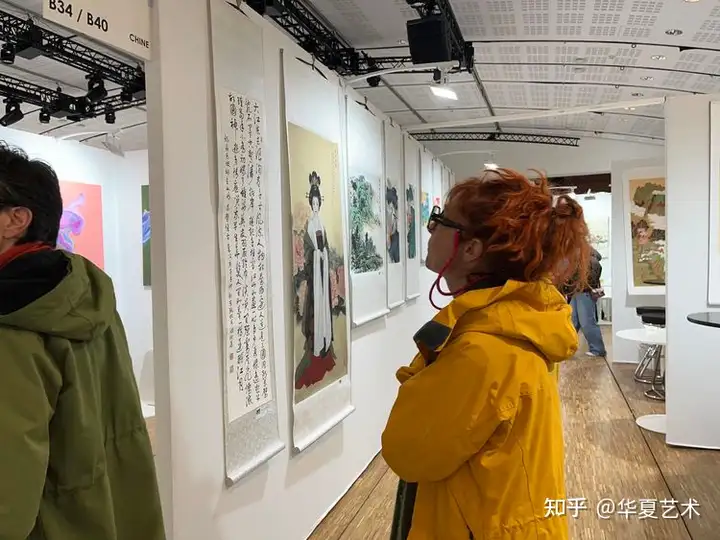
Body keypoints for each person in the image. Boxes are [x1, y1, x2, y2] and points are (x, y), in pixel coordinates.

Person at [383, 168, 591, 540]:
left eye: (441, 221)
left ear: (471, 250)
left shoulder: (484, 351)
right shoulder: (519, 322)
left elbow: (406, 451)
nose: (431, 230)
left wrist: (420, 373)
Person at [0, 143, 165, 539]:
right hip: (109, 510)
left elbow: (9, 485)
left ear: (16, 220)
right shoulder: (85, 294)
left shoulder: (13, 321)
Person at [569, 247, 607, 357]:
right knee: (572, 321)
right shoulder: (586, 260)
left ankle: (598, 349)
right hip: (578, 292)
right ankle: (566, 347)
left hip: (583, 292)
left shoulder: (590, 261)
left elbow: (591, 279)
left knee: (587, 322)